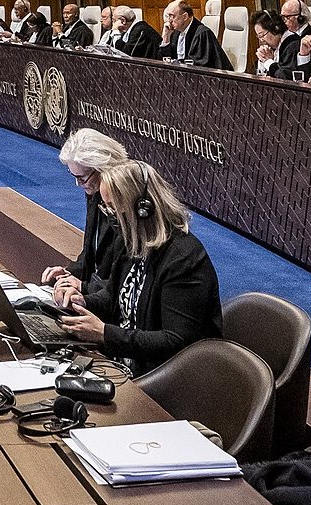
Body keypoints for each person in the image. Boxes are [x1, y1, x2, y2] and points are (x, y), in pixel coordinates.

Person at [54, 160, 222, 374]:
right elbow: (112, 298)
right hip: (125, 363)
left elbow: (176, 342)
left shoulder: (183, 260)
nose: (109, 216)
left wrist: (105, 334)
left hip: (167, 378)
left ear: (144, 209)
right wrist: (82, 301)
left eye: (113, 208)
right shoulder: (129, 243)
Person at [41, 128, 129, 289]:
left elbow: (125, 281)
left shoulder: (128, 206)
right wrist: (69, 273)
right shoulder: (95, 192)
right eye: (74, 176)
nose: (78, 184)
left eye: (82, 178)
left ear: (103, 169)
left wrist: (84, 287)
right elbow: (91, 253)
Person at [161, 0, 232, 70]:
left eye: (172, 16)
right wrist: (166, 38)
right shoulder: (175, 32)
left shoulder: (202, 34)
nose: (169, 21)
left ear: (185, 16)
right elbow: (165, 59)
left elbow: (198, 65)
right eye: (168, 16)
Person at [251, 9, 291, 77]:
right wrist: (262, 60)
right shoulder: (272, 48)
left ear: (276, 28)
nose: (261, 40)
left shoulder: (291, 45)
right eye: (259, 36)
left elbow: (285, 78)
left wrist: (268, 61)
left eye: (262, 35)